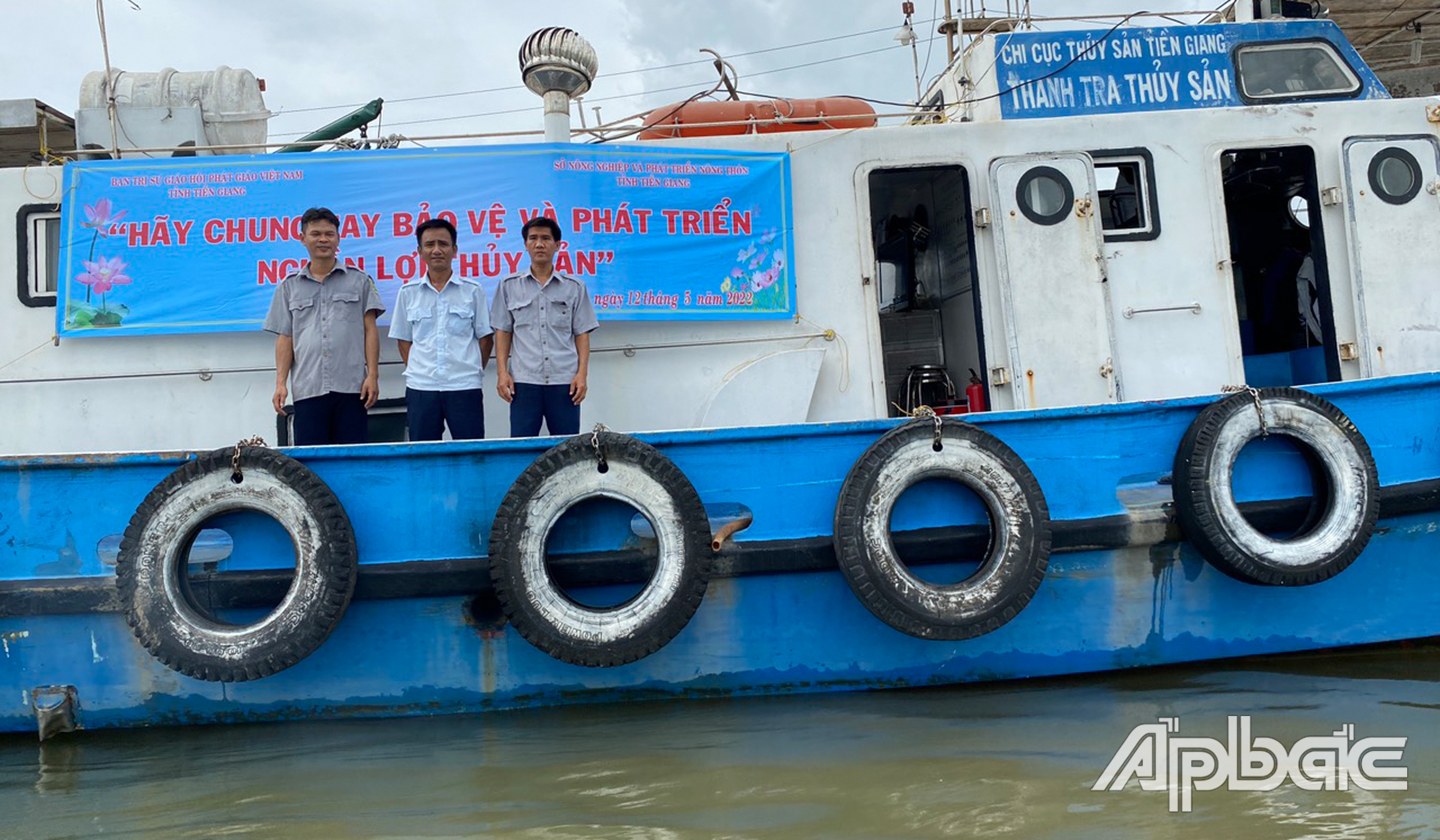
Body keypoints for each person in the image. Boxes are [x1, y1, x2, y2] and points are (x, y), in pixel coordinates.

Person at [264, 207, 384, 446]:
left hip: (352, 388)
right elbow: (285, 338)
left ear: (338, 239)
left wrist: (373, 375)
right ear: (302, 238)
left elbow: (370, 330)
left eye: (329, 234)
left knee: (353, 458)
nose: (323, 239)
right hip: (308, 389)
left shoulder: (359, 280)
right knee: (313, 464)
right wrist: (280, 383)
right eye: (315, 234)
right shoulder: (289, 287)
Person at [490, 217, 599, 437]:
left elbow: (582, 334)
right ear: (526, 244)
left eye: (546, 238)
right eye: (533, 238)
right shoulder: (508, 285)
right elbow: (503, 332)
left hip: (564, 382)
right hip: (524, 382)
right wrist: (502, 373)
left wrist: (582, 375)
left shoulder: (574, 287)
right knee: (521, 447)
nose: (539, 244)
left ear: (557, 245)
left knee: (567, 449)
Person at [389, 218, 494, 441]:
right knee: (424, 455)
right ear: (419, 251)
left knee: (470, 454)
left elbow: (485, 339)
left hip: (464, 386)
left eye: (443, 244)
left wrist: (470, 369)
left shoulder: (473, 291)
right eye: (430, 244)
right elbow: (403, 341)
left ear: (454, 250)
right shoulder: (408, 292)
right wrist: (422, 370)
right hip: (421, 388)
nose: (437, 250)